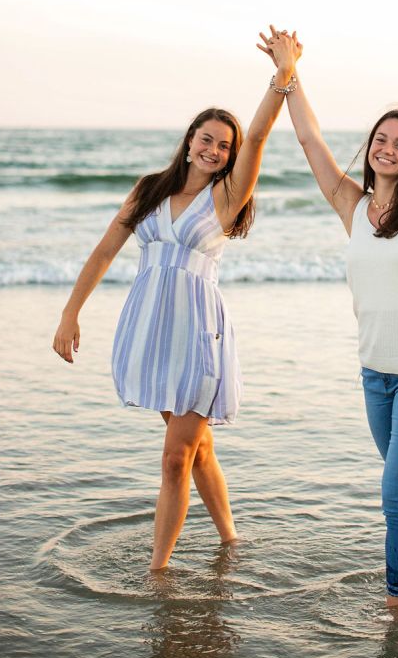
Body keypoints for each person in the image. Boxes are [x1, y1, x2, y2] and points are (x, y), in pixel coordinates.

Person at [53, 29, 301, 570]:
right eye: (206, 139)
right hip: (151, 330)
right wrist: (71, 313)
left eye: (223, 145)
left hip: (197, 335)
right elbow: (103, 253)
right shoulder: (149, 190)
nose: (214, 150)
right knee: (197, 449)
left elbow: (257, 137)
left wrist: (281, 77)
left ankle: (158, 571)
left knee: (174, 459)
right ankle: (231, 539)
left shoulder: (226, 197)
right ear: (189, 140)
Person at [258, 29, 398, 608]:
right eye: (380, 140)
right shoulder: (353, 206)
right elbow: (308, 139)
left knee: (397, 493)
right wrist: (289, 71)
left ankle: (397, 606)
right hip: (375, 374)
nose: (388, 149)